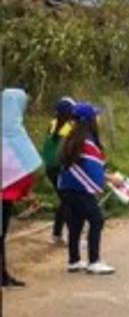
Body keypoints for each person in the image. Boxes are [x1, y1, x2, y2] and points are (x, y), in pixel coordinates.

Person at [58, 102, 116, 275]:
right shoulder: (87, 141)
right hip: (79, 188)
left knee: (75, 223)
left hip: (67, 187)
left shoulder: (71, 136)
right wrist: (103, 182)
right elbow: (92, 170)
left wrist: (106, 176)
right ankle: (94, 261)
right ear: (89, 120)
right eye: (95, 116)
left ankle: (74, 260)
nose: (98, 119)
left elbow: (84, 167)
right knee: (97, 220)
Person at [1, 88, 43, 288]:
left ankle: (3, 274)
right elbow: (24, 163)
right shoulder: (13, 133)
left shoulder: (15, 131)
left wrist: (26, 190)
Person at [41, 96, 76, 245]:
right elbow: (67, 147)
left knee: (65, 201)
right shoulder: (67, 126)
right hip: (59, 168)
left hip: (50, 167)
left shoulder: (53, 123)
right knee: (67, 201)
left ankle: (58, 234)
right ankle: (62, 235)